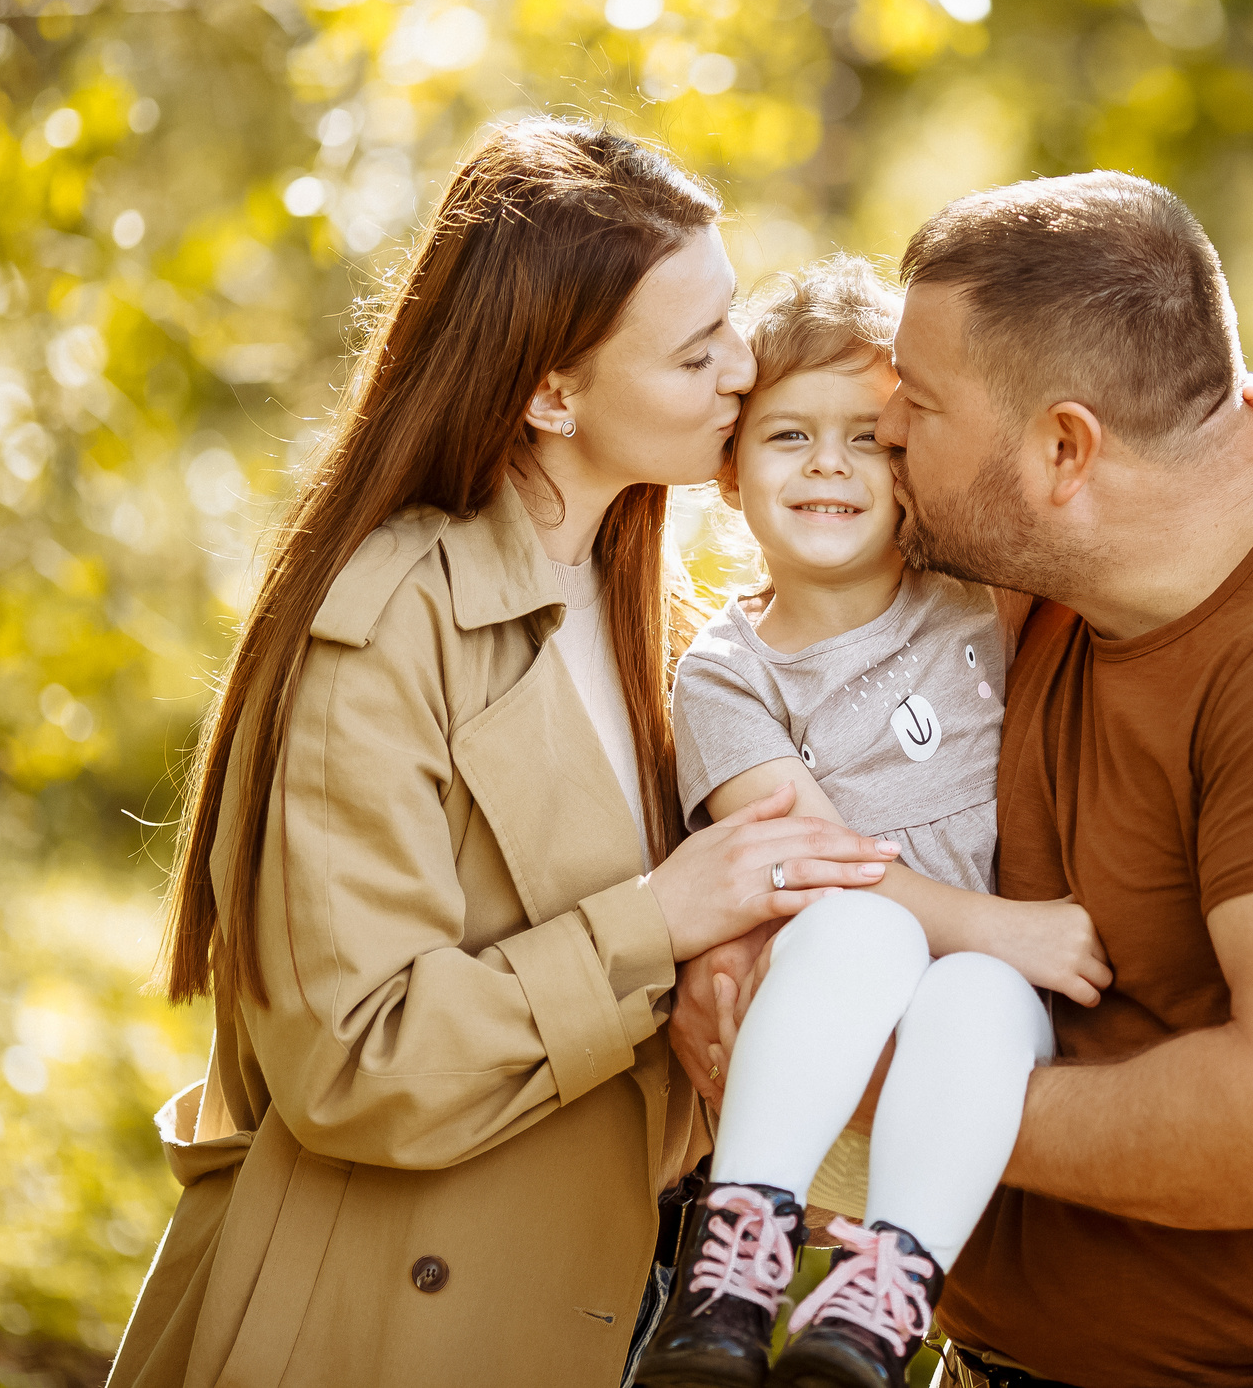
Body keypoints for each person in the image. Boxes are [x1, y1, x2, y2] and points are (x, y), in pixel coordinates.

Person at [722, 170, 1253, 1388]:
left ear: (1065, 447)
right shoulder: (1030, 595)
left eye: (915, 404)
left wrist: (848, 1073)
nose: (886, 435)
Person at [106, 120, 904, 1388]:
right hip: (377, 1323)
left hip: (601, 1309)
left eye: (734, 324)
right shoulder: (384, 624)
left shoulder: (667, 614)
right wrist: (659, 924)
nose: (745, 371)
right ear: (550, 392)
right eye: (696, 352)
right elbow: (357, 1061)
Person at [638, 257, 1253, 1388]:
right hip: (825, 1020)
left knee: (979, 994)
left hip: (966, 1039)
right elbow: (813, 860)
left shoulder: (977, 589)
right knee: (864, 930)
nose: (829, 466)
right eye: (788, 438)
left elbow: (1113, 471)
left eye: (868, 438)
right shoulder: (726, 673)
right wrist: (1002, 927)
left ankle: (880, 1299)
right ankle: (738, 1259)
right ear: (728, 470)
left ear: (912, 462)